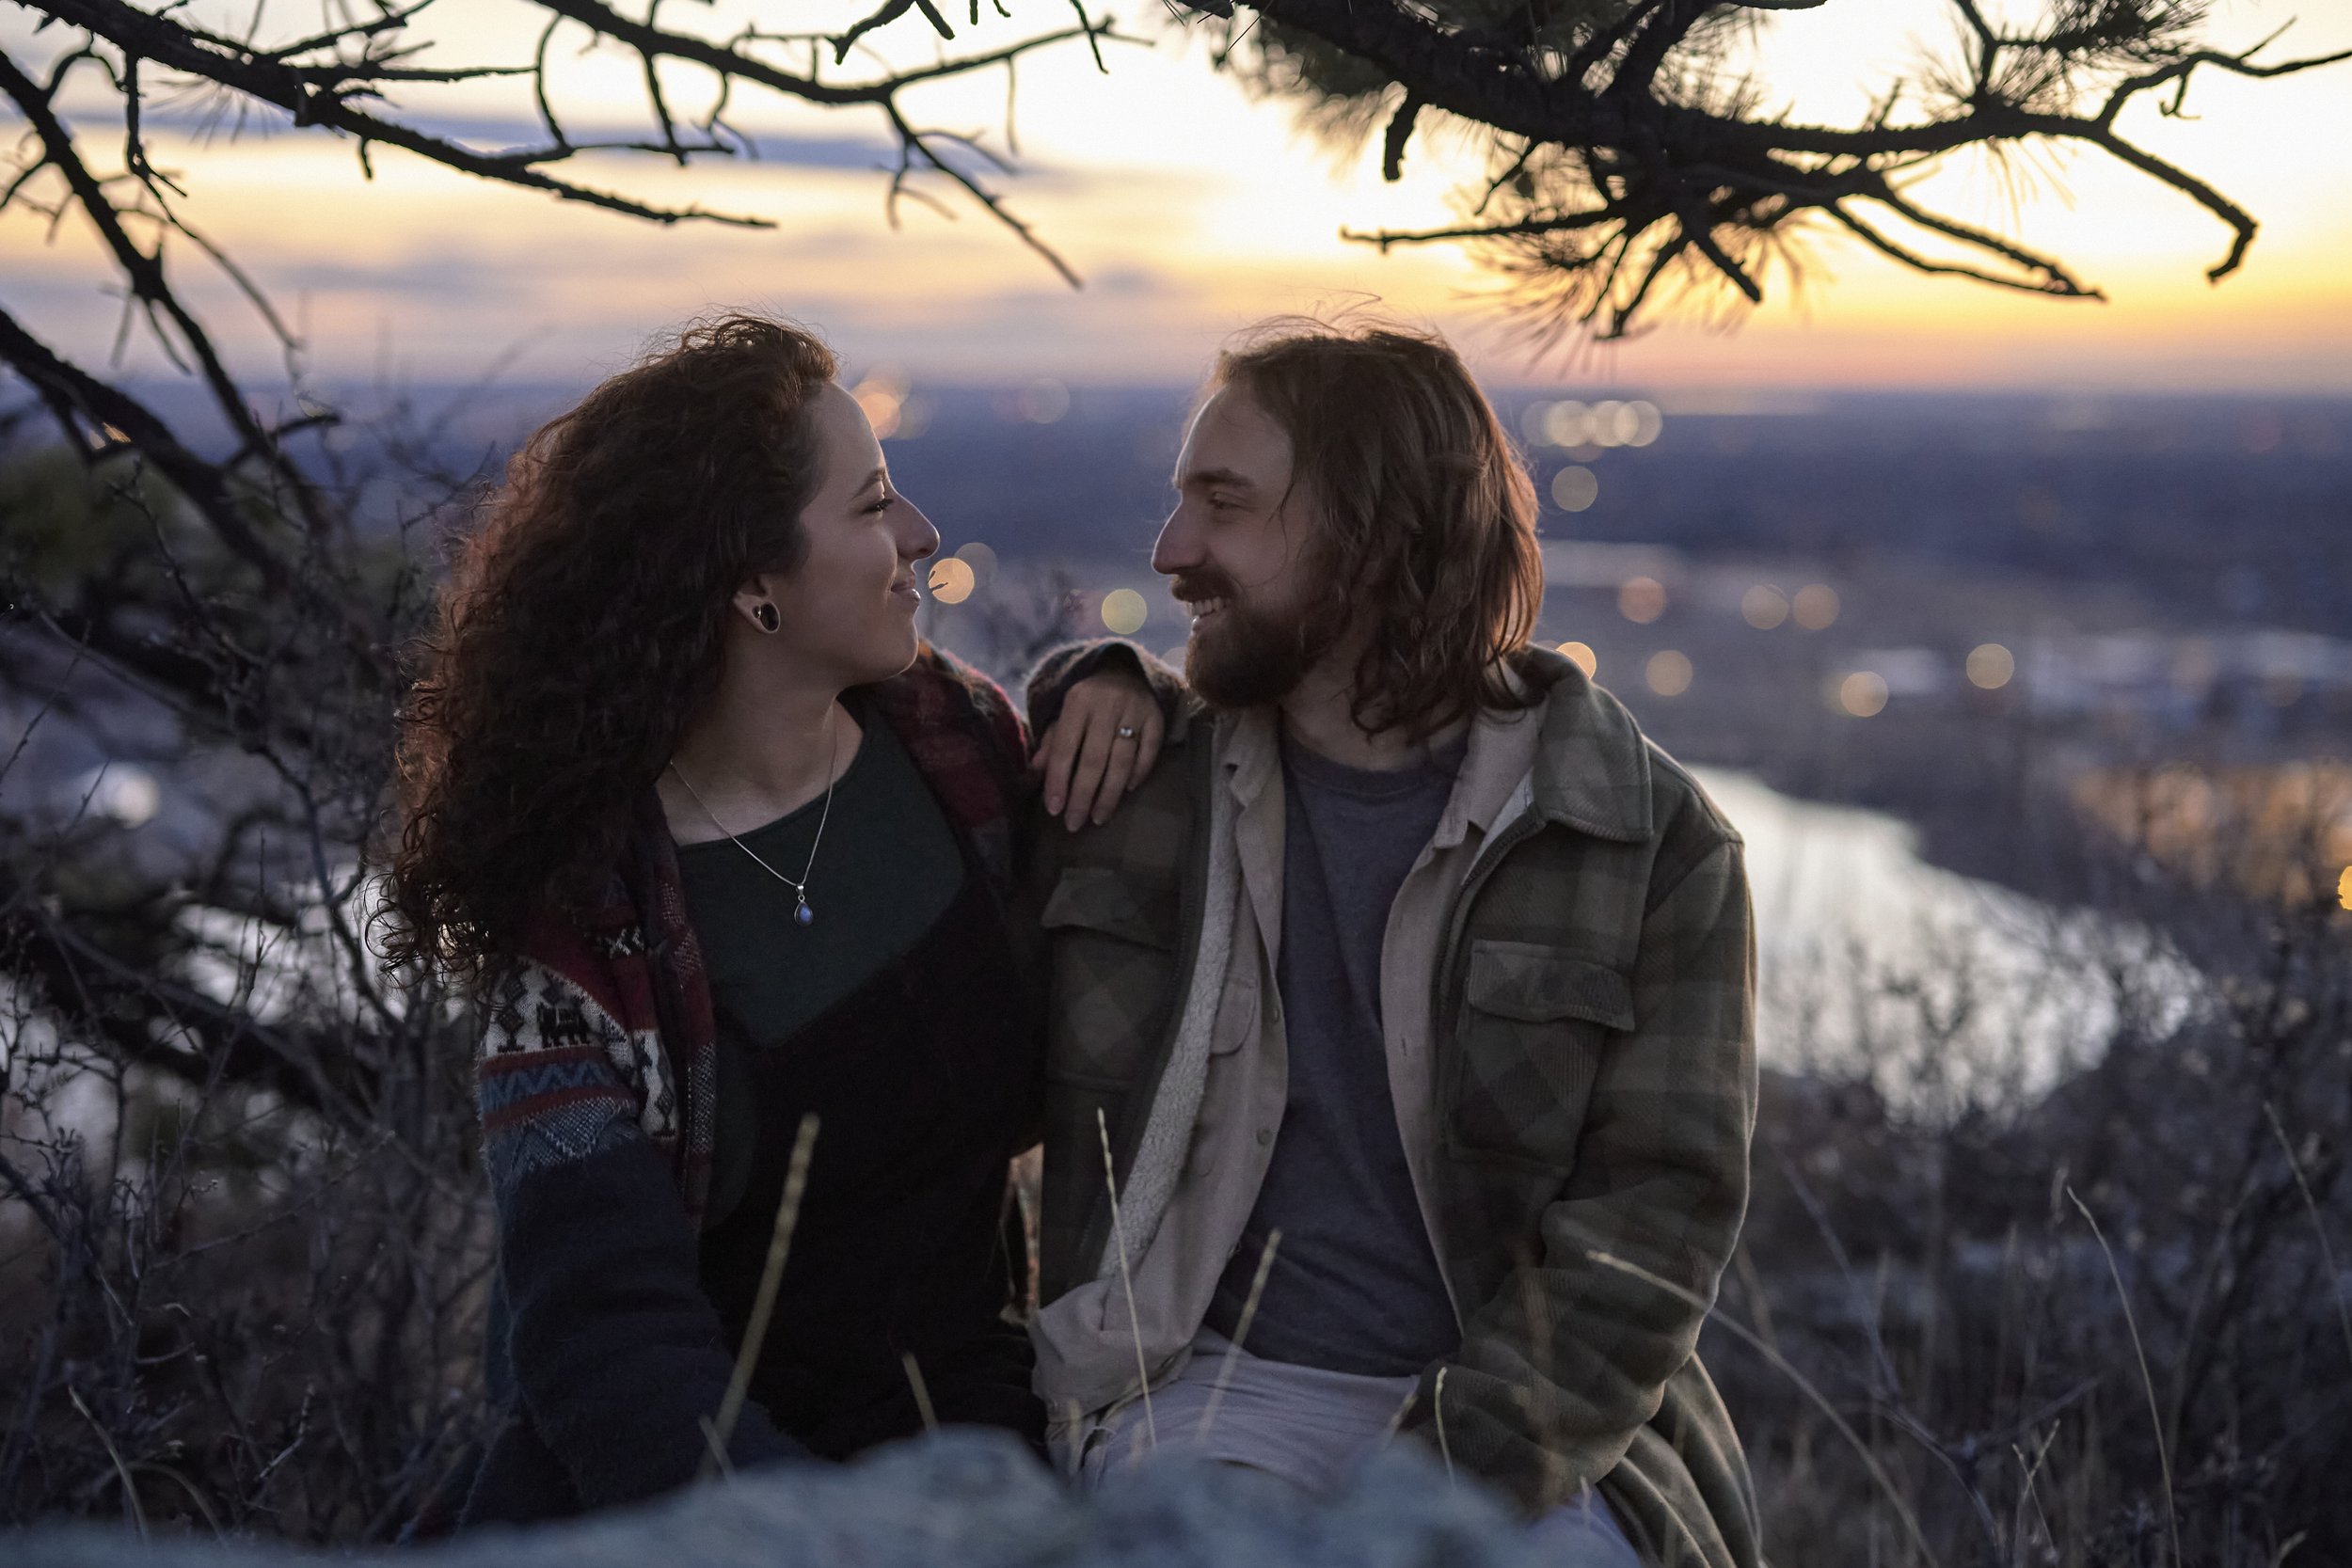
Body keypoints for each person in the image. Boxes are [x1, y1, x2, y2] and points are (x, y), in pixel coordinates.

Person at [383, 314, 1162, 1525]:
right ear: (750, 583)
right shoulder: (586, 935)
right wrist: (810, 1535)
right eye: (871, 506)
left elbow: (1147, 832)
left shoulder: (951, 746)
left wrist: (1114, 676)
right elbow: (609, 1348)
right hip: (693, 1496)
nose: (921, 534)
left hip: (974, 1436)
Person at [1022, 319, 1762, 1568]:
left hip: (1529, 1428)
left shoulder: (1649, 847)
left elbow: (1651, 1232)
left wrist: (1426, 1491)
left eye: (1224, 502)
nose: (1170, 551)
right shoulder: (1149, 793)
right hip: (1212, 1385)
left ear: (1370, 540)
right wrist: (1088, 678)